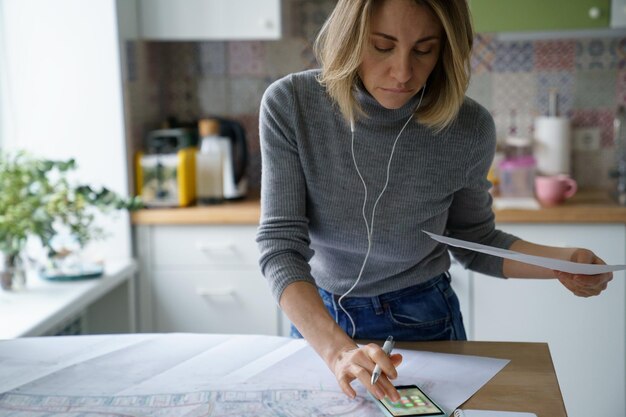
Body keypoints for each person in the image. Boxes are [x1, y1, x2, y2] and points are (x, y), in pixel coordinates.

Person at [256, 0, 613, 404]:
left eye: (424, 49)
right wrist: (338, 351)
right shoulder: (291, 105)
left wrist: (561, 263)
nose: (404, 72)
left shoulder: (468, 127)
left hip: (422, 319)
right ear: (350, 39)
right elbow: (280, 246)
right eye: (382, 46)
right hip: (317, 319)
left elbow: (474, 239)